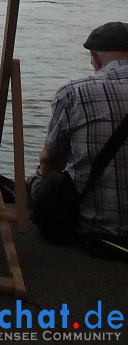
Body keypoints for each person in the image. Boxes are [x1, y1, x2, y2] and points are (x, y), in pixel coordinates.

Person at [29, 21, 128, 240]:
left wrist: (40, 184)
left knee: (43, 180)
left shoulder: (75, 93)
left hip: (95, 230)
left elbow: (49, 158)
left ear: (94, 57)